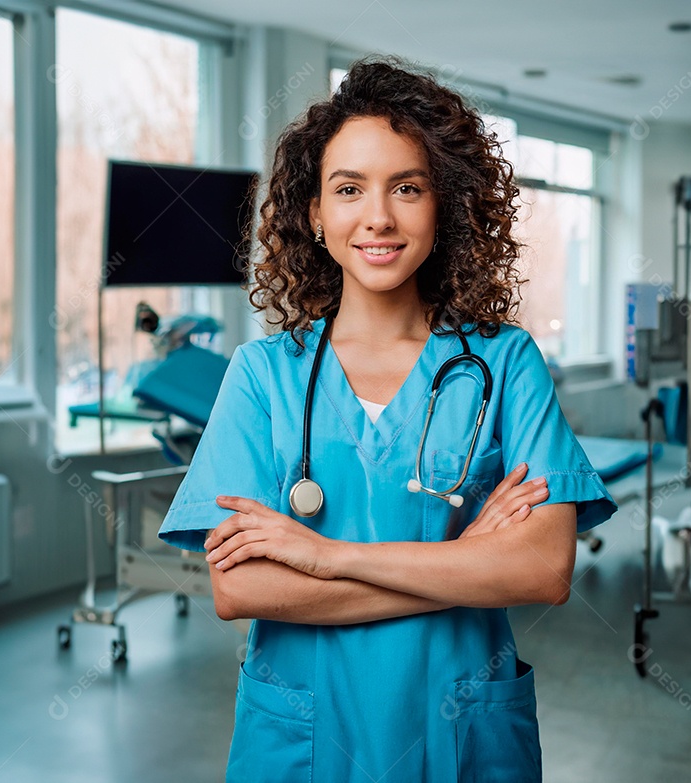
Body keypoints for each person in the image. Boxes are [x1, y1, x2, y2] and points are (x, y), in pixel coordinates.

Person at [159, 57, 616, 782]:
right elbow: (240, 588)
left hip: (460, 733)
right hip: (307, 739)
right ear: (315, 212)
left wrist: (324, 555)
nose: (378, 216)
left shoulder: (505, 363)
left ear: (444, 204)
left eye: (408, 187)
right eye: (348, 189)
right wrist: (468, 562)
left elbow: (543, 567)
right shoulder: (263, 375)